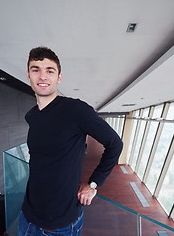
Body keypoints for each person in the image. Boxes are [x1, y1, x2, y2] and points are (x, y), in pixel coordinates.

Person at [18, 46, 123, 236]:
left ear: (59, 78)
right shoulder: (31, 116)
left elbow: (115, 144)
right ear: (28, 76)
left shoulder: (75, 110)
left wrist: (93, 184)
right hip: (27, 216)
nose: (42, 76)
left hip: (59, 225)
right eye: (36, 70)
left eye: (50, 71)